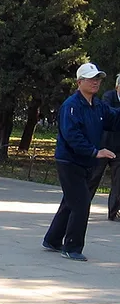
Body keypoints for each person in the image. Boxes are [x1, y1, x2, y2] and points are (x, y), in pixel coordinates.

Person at [43, 63, 120, 261]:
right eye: (91, 78)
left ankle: (52, 239)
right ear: (79, 82)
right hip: (69, 160)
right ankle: (72, 247)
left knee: (71, 200)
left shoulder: (98, 105)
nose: (96, 82)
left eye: (98, 79)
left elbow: (114, 119)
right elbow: (72, 136)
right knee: (81, 203)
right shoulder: (71, 105)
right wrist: (95, 152)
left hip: (85, 161)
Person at [87, 73, 120, 220]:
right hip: (104, 146)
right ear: (117, 86)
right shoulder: (108, 97)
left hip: (118, 148)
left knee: (118, 181)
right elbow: (109, 115)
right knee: (94, 178)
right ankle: (82, 208)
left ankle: (114, 213)